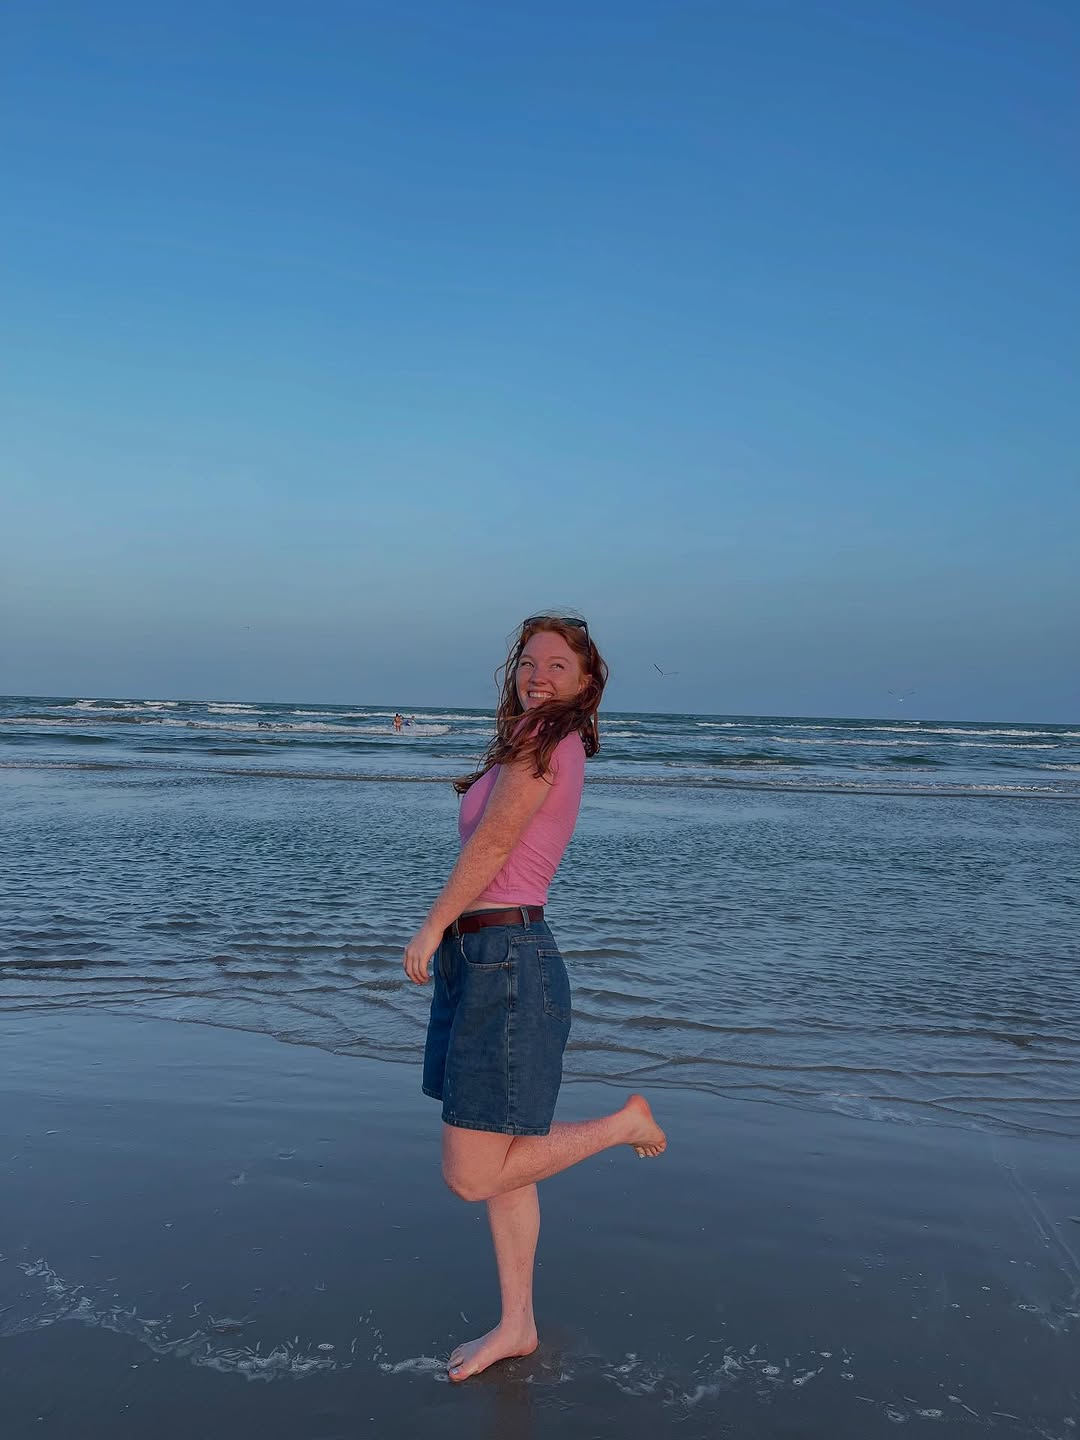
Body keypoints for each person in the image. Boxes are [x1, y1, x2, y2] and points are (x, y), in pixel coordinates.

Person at [403, 614, 666, 1383]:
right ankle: (517, 1322)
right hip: (486, 957)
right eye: (528, 662)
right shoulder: (532, 741)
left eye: (557, 665)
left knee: (472, 1174)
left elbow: (493, 845)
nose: (538, 675)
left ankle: (623, 1124)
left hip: (505, 959)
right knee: (506, 1159)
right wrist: (450, 937)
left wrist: (432, 924)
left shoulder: (548, 740)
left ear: (585, 684)